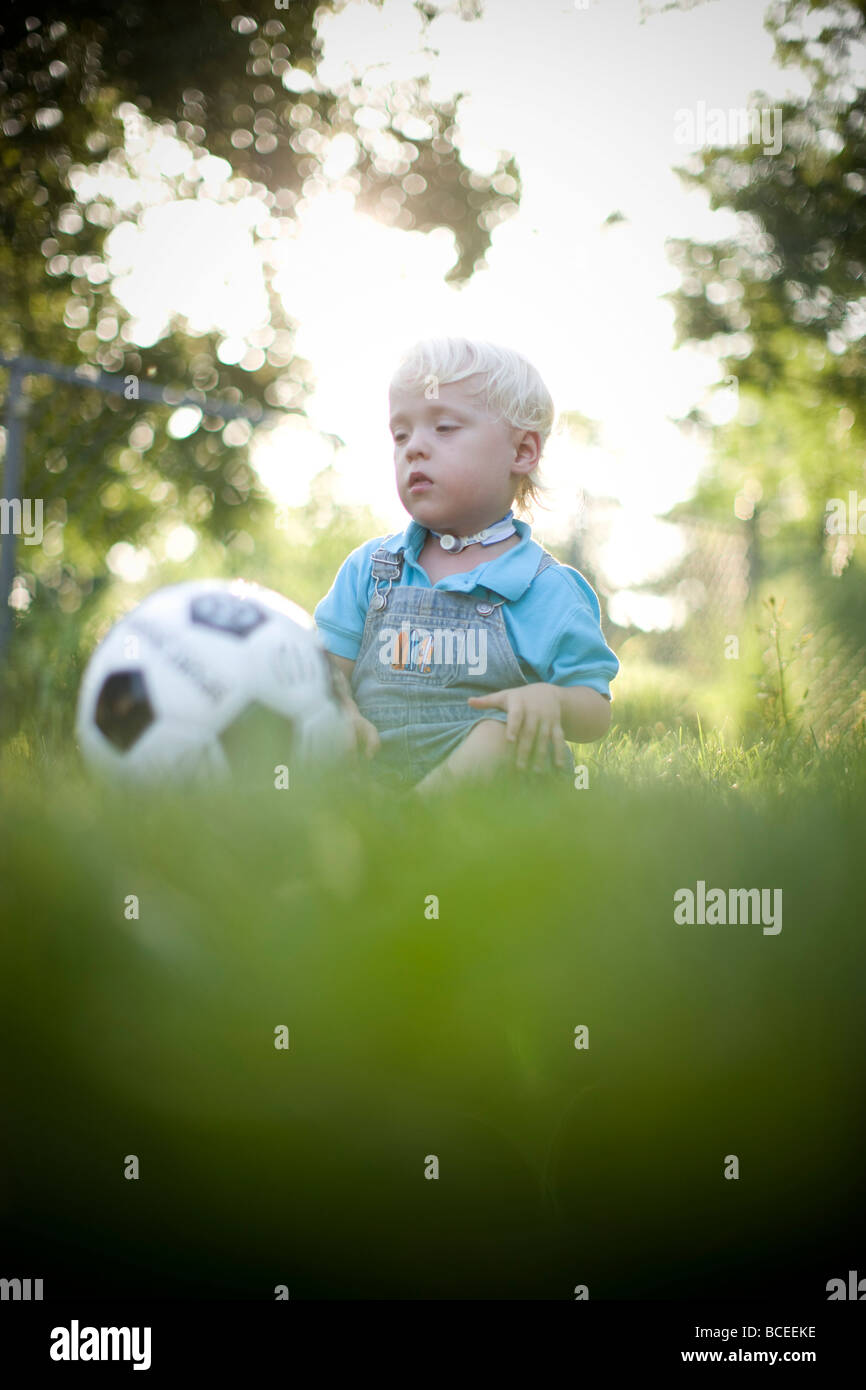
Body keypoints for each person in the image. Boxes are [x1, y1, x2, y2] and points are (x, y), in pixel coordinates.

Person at [313, 337, 619, 794]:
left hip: (492, 790)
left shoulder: (547, 589)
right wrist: (345, 713)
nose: (413, 447)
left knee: (504, 733)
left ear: (521, 452)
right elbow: (327, 670)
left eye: (444, 428)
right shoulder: (372, 570)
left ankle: (412, 824)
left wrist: (551, 701)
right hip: (372, 768)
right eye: (400, 434)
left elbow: (595, 711)